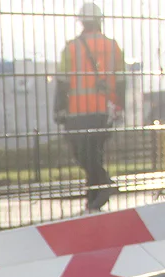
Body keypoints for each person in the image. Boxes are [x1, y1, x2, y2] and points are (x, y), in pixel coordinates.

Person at [55, 2, 126, 212]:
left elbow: (62, 82)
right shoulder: (113, 46)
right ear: (99, 20)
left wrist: (59, 109)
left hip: (77, 112)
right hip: (102, 111)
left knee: (83, 155)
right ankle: (93, 199)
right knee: (95, 153)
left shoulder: (71, 48)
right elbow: (121, 81)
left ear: (82, 22)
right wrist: (119, 105)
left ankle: (104, 185)